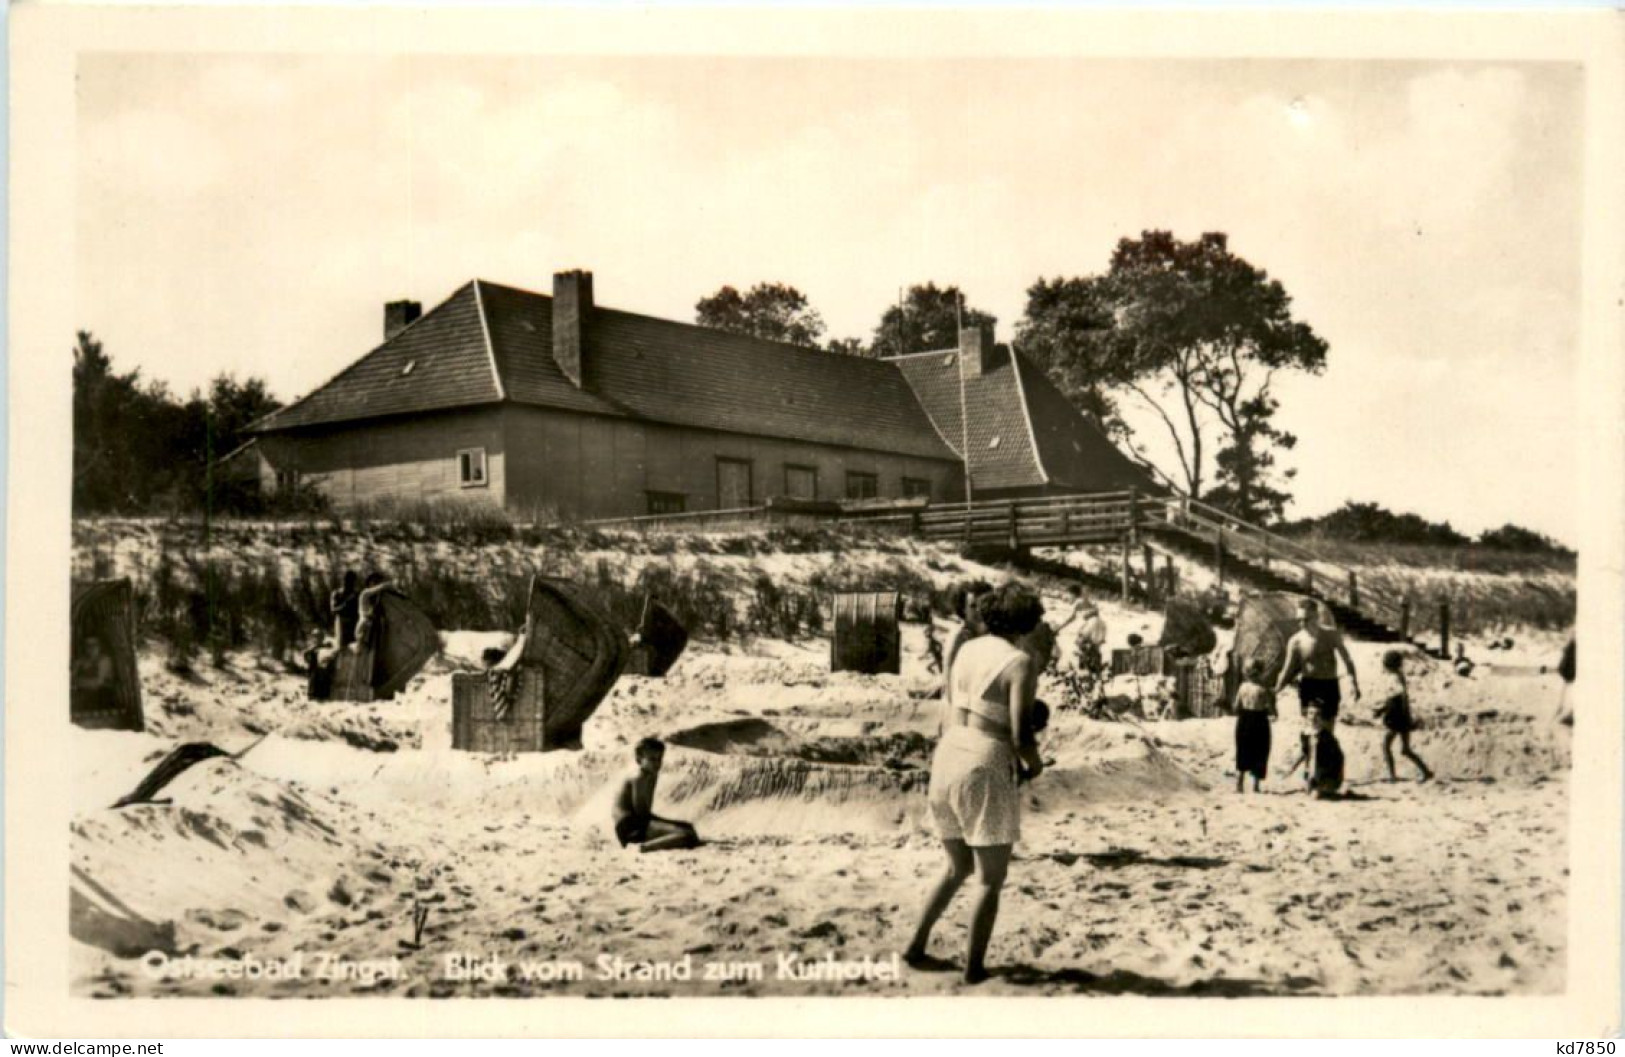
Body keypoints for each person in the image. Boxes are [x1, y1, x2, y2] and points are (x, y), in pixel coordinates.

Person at [905, 582, 1046, 985]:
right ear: (1027, 622)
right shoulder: (1019, 662)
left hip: (950, 752)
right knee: (990, 878)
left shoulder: (968, 647)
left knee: (956, 867)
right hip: (985, 760)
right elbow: (1020, 736)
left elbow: (955, 699)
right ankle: (974, 968)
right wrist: (1034, 767)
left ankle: (916, 944)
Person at [1275, 598, 1360, 764]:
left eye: (1305, 619)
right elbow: (1287, 670)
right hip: (1309, 686)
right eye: (1299, 619)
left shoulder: (1331, 635)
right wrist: (1275, 691)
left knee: (1327, 733)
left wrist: (1354, 683)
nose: (1301, 623)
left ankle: (1325, 773)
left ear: (1316, 617)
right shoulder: (1296, 640)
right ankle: (1310, 771)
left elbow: (1347, 659)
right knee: (1309, 730)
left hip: (1329, 685)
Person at [611, 738, 700, 853]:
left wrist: (670, 824)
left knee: (688, 828)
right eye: (652, 759)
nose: (657, 764)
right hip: (629, 827)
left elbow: (646, 813)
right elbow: (641, 813)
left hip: (638, 822)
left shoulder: (651, 775)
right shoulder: (638, 777)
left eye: (660, 759)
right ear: (639, 759)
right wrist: (669, 824)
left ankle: (651, 843)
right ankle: (645, 847)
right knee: (685, 834)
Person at [1372, 650, 1434, 783]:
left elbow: (1399, 697)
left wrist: (1384, 710)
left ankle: (1392, 776)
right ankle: (1426, 771)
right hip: (1402, 715)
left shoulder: (1395, 678)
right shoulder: (1399, 676)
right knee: (1405, 749)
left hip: (1397, 716)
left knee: (1386, 745)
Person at [1233, 658, 1276, 793]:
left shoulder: (1242, 687)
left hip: (1244, 719)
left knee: (1242, 749)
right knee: (1260, 751)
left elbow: (1236, 707)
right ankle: (1255, 786)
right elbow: (1271, 710)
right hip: (1259, 719)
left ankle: (1239, 784)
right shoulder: (1264, 689)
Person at [943, 579, 993, 681]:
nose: (979, 610)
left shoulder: (993, 633)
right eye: (973, 606)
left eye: (982, 604)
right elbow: (947, 677)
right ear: (963, 609)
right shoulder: (959, 637)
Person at [1304, 704, 1345, 799]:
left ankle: (1328, 789)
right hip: (1312, 772)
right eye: (1311, 714)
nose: (1313, 717)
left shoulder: (1326, 737)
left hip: (1326, 775)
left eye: (1317, 714)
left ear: (1321, 718)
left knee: (1315, 797)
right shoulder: (1305, 734)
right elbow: (1305, 754)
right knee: (1307, 791)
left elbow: (1337, 759)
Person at [72, 633, 117, 714]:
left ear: (100, 646)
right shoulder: (80, 661)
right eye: (88, 645)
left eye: (94, 645)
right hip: (84, 697)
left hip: (101, 699)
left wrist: (78, 681)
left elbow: (98, 683)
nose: (91, 648)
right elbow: (70, 680)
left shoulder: (104, 660)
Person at [330, 571, 361, 650]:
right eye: (347, 580)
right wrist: (346, 604)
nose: (348, 583)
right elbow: (333, 610)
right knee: (341, 648)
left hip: (355, 624)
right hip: (342, 624)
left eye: (351, 581)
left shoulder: (357, 595)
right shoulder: (337, 594)